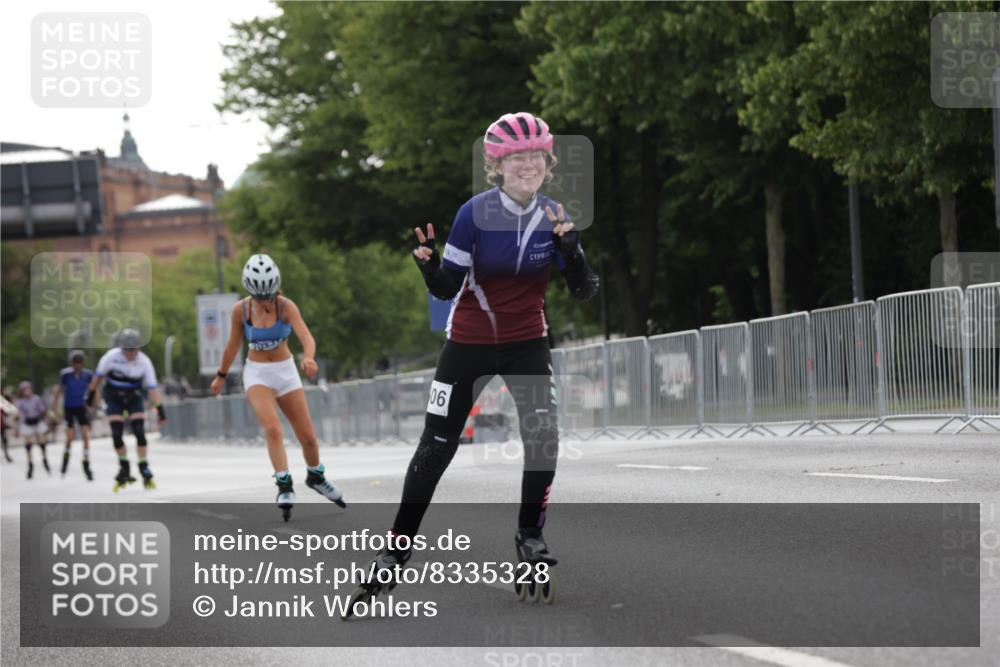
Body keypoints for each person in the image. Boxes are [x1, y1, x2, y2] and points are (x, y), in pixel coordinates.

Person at [347, 112, 599, 612]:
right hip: (469, 342)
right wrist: (428, 265)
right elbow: (447, 287)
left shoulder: (554, 215)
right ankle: (395, 552)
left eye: (536, 157)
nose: (527, 166)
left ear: (547, 163)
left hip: (528, 340)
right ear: (498, 165)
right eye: (516, 159)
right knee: (436, 449)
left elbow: (584, 290)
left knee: (543, 437)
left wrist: (573, 252)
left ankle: (530, 536)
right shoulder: (474, 214)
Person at [212, 253, 346, 521]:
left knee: (307, 435)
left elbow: (306, 336)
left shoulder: (286, 307)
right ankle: (284, 484)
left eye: (269, 295)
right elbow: (233, 345)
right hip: (257, 373)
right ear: (250, 290)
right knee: (273, 428)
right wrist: (221, 375)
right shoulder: (241, 310)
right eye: (260, 297)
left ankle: (316, 476)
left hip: (285, 371)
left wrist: (308, 357)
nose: (265, 302)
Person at [86, 329, 166, 490]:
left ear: (139, 348)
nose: (129, 353)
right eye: (126, 350)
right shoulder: (111, 357)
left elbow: (152, 389)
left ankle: (143, 465)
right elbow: (97, 378)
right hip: (113, 396)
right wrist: (90, 397)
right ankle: (124, 465)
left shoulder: (144, 362)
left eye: (133, 350)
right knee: (116, 433)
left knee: (139, 431)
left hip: (133, 396)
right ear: (121, 348)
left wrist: (160, 409)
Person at [52, 350, 95, 480]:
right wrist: (55, 407)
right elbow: (59, 391)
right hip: (69, 407)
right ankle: (65, 460)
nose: (77, 365)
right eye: (75, 363)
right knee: (70, 438)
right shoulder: (66, 375)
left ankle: (86, 462)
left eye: (79, 363)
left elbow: (94, 389)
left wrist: (93, 404)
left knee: (85, 435)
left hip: (81, 407)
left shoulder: (87, 375)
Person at [15, 380, 50, 478]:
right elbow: (18, 415)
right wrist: (16, 429)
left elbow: (42, 410)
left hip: (37, 421)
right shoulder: (20, 402)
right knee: (28, 444)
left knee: (41, 441)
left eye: (28, 389)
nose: (27, 391)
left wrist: (46, 420)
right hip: (27, 422)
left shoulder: (36, 399)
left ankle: (45, 459)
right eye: (24, 390)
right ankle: (30, 464)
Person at [1, 388, 15, 463]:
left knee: (4, 440)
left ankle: (6, 455)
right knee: (4, 440)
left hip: (1, 424)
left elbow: (8, 410)